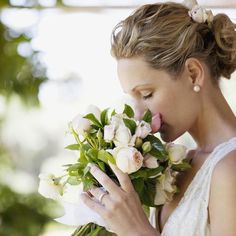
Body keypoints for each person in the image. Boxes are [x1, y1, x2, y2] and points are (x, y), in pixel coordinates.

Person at [80, 1, 236, 235]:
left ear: (193, 73)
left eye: (146, 94)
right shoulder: (178, 165)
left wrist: (138, 230)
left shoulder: (230, 171)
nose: (140, 115)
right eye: (134, 98)